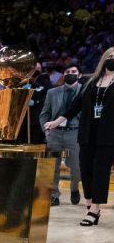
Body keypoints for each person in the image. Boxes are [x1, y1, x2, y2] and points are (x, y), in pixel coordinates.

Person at [46, 47, 114, 226]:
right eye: (110, 56)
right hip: (87, 132)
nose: (112, 59)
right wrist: (55, 122)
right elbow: (75, 107)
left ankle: (94, 209)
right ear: (104, 59)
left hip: (108, 134)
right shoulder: (90, 82)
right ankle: (91, 202)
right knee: (86, 168)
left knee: (100, 170)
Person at [38, 64, 83, 206]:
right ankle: (54, 194)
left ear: (79, 75)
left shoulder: (85, 91)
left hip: (75, 132)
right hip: (55, 133)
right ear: (63, 75)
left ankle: (75, 188)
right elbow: (44, 114)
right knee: (52, 165)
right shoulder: (52, 92)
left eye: (74, 72)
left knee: (76, 166)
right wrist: (46, 130)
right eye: (67, 72)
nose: (70, 74)